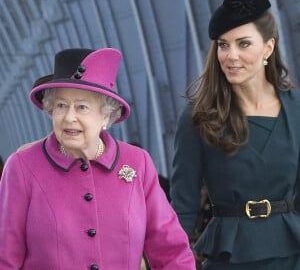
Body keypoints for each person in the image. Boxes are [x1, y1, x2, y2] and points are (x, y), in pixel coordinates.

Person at [0, 48, 196, 269]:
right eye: (61, 106)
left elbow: (171, 251)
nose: (69, 117)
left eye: (82, 107)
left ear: (106, 114)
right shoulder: (23, 167)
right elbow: (4, 257)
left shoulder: (137, 162)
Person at [170, 0, 300, 270]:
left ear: (268, 47)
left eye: (243, 44)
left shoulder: (297, 107)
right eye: (223, 45)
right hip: (230, 259)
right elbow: (183, 208)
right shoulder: (198, 116)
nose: (231, 56)